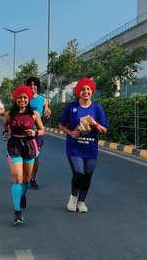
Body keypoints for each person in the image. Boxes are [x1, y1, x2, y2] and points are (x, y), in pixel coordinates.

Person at [58, 77, 109, 213]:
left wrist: (95, 123)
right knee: (79, 174)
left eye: (88, 89)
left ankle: (81, 202)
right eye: (82, 89)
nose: (85, 92)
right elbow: (61, 125)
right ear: (78, 92)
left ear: (92, 91)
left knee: (87, 176)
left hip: (91, 149)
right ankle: (73, 197)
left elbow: (104, 130)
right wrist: (71, 133)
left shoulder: (97, 109)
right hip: (74, 147)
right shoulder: (71, 107)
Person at [1, 85, 45, 225]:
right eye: (20, 97)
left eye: (25, 97)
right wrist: (5, 132)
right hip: (14, 145)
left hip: (29, 145)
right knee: (17, 179)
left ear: (28, 99)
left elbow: (42, 129)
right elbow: (5, 125)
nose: (22, 100)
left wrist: (35, 133)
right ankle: (17, 212)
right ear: (16, 99)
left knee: (26, 179)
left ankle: (23, 195)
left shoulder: (34, 114)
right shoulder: (9, 114)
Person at [25, 77, 52, 189]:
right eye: (30, 85)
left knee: (36, 155)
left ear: (37, 86)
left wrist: (47, 114)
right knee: (24, 157)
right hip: (24, 133)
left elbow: (46, 113)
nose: (32, 86)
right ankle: (24, 177)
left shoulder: (43, 100)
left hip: (37, 132)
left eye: (34, 84)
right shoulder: (23, 98)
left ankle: (32, 178)